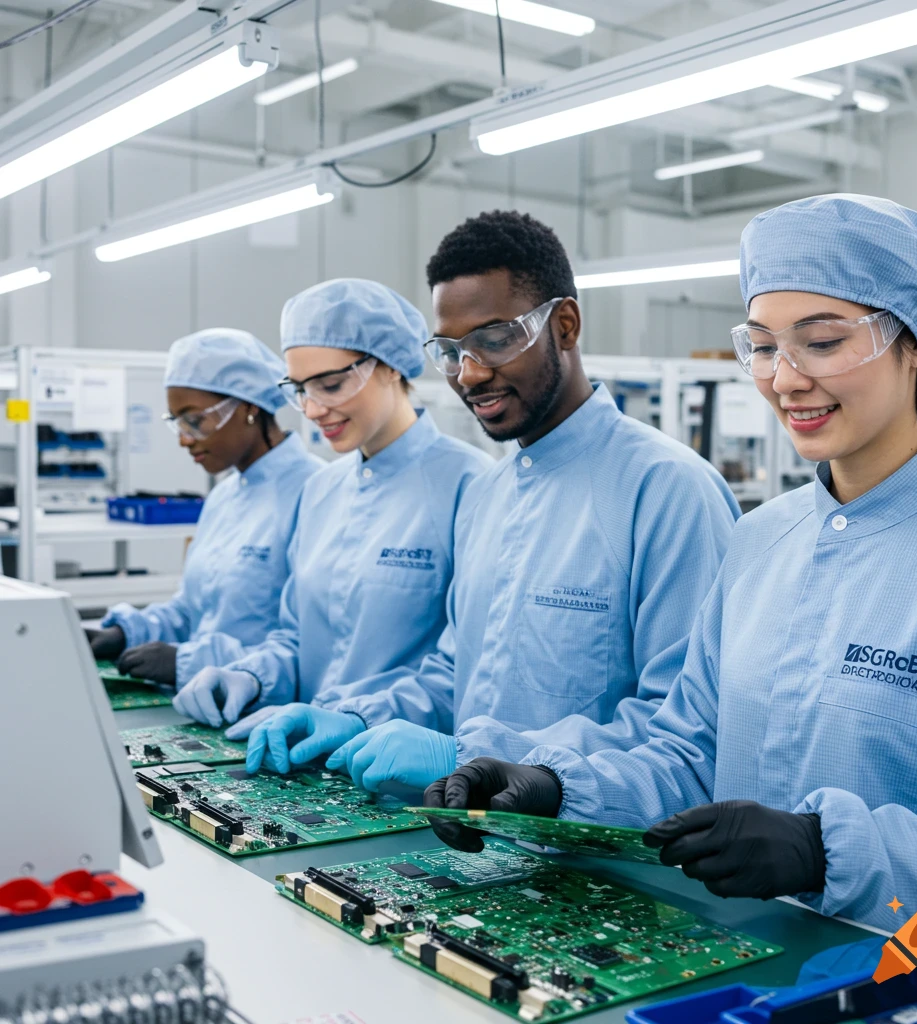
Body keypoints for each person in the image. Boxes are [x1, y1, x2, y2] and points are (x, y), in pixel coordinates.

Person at [423, 195, 917, 958]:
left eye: (824, 340)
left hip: (913, 985)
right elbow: (687, 753)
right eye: (765, 346)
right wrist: (553, 786)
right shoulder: (761, 542)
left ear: (916, 346)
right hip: (727, 967)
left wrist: (829, 851)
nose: (785, 379)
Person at [246, 210, 739, 790]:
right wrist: (357, 716)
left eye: (495, 340)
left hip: (601, 859)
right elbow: (456, 676)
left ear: (565, 326)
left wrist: (484, 760)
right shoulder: (487, 495)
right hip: (473, 840)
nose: (470, 373)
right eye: (450, 350)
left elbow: (682, 735)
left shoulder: (667, 491)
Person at [172, 278, 492, 729]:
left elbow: (464, 670)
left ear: (392, 367)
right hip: (305, 764)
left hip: (403, 776)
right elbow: (296, 638)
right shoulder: (320, 491)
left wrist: (354, 718)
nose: (313, 409)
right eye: (300, 389)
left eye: (331, 384)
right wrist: (251, 675)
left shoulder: (471, 485)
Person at [86, 329, 322, 686]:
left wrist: (189, 661)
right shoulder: (223, 497)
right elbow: (192, 609)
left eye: (194, 420)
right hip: (203, 700)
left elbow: (312, 642)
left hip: (272, 709)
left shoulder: (318, 493)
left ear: (248, 407)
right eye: (177, 423)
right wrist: (127, 632)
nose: (184, 438)